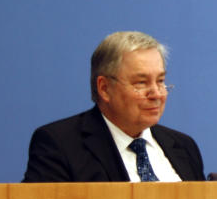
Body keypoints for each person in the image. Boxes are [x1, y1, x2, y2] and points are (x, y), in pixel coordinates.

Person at [23, 31, 205, 182]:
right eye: (141, 83)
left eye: (160, 81)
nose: (157, 94)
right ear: (104, 88)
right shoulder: (61, 145)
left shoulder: (183, 146)